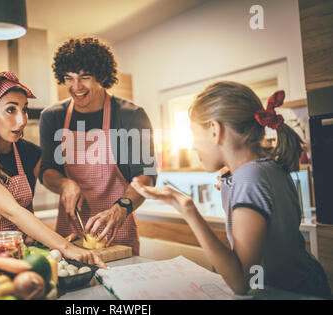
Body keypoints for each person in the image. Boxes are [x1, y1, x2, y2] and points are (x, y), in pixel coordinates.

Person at [132, 81, 331, 298]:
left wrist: (187, 208)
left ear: (215, 130)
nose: (193, 145)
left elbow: (241, 282)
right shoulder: (267, 167)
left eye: (194, 134)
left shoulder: (249, 179)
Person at [0, 71, 105, 267]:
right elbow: (12, 211)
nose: (22, 120)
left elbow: (51, 176)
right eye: (10, 110)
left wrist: (67, 185)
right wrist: (67, 248)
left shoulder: (29, 153)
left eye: (24, 109)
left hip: (15, 256)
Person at [39, 37, 157, 255]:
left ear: (101, 76)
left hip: (116, 228)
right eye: (69, 78)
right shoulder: (53, 117)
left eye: (85, 77)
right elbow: (47, 170)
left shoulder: (130, 116)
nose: (76, 87)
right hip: (71, 231)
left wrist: (120, 209)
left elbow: (146, 175)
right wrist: (65, 184)